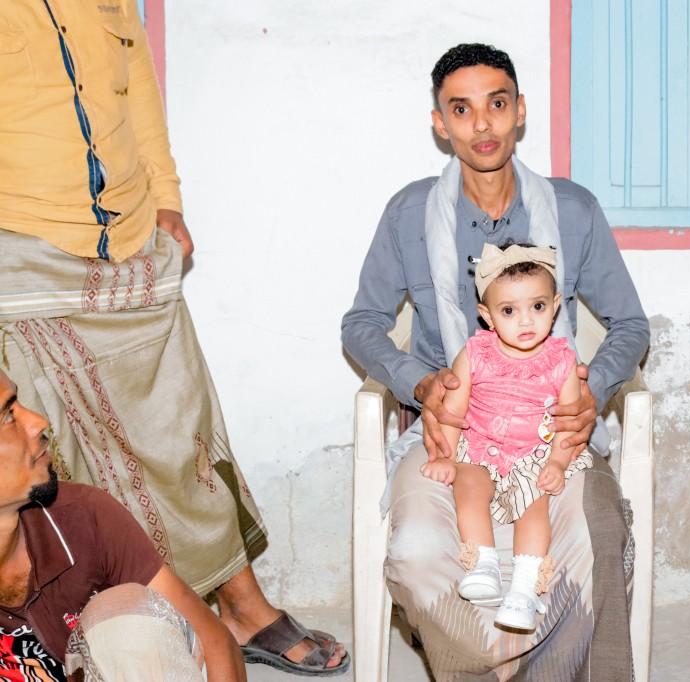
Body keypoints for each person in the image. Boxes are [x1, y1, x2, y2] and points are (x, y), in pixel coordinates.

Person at [0, 1, 346, 675]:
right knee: (48, 448)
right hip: (25, 245)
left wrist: (167, 198)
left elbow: (136, 84)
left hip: (129, 233)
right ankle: (100, 626)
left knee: (181, 427)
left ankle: (239, 605)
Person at [342, 42, 649, 679]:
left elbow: (631, 325)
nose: (481, 124)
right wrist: (420, 384)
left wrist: (591, 391)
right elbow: (362, 323)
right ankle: (484, 664)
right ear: (440, 123)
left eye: (497, 104)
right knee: (416, 552)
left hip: (552, 437)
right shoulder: (409, 214)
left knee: (600, 534)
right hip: (451, 439)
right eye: (461, 109)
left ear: (520, 111)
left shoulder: (573, 210)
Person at [0, 368, 245, 681]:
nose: (38, 422)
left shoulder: (82, 516)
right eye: (7, 416)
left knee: (123, 615)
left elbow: (215, 643)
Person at [420, 242, 593, 631]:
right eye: (509, 311)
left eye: (538, 306)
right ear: (487, 316)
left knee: (534, 506)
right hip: (481, 446)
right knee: (468, 487)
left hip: (534, 453)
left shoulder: (562, 361)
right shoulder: (475, 354)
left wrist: (557, 462)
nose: (526, 321)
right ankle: (483, 565)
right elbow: (453, 410)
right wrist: (445, 455)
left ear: (555, 305)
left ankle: (524, 590)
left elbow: (569, 420)